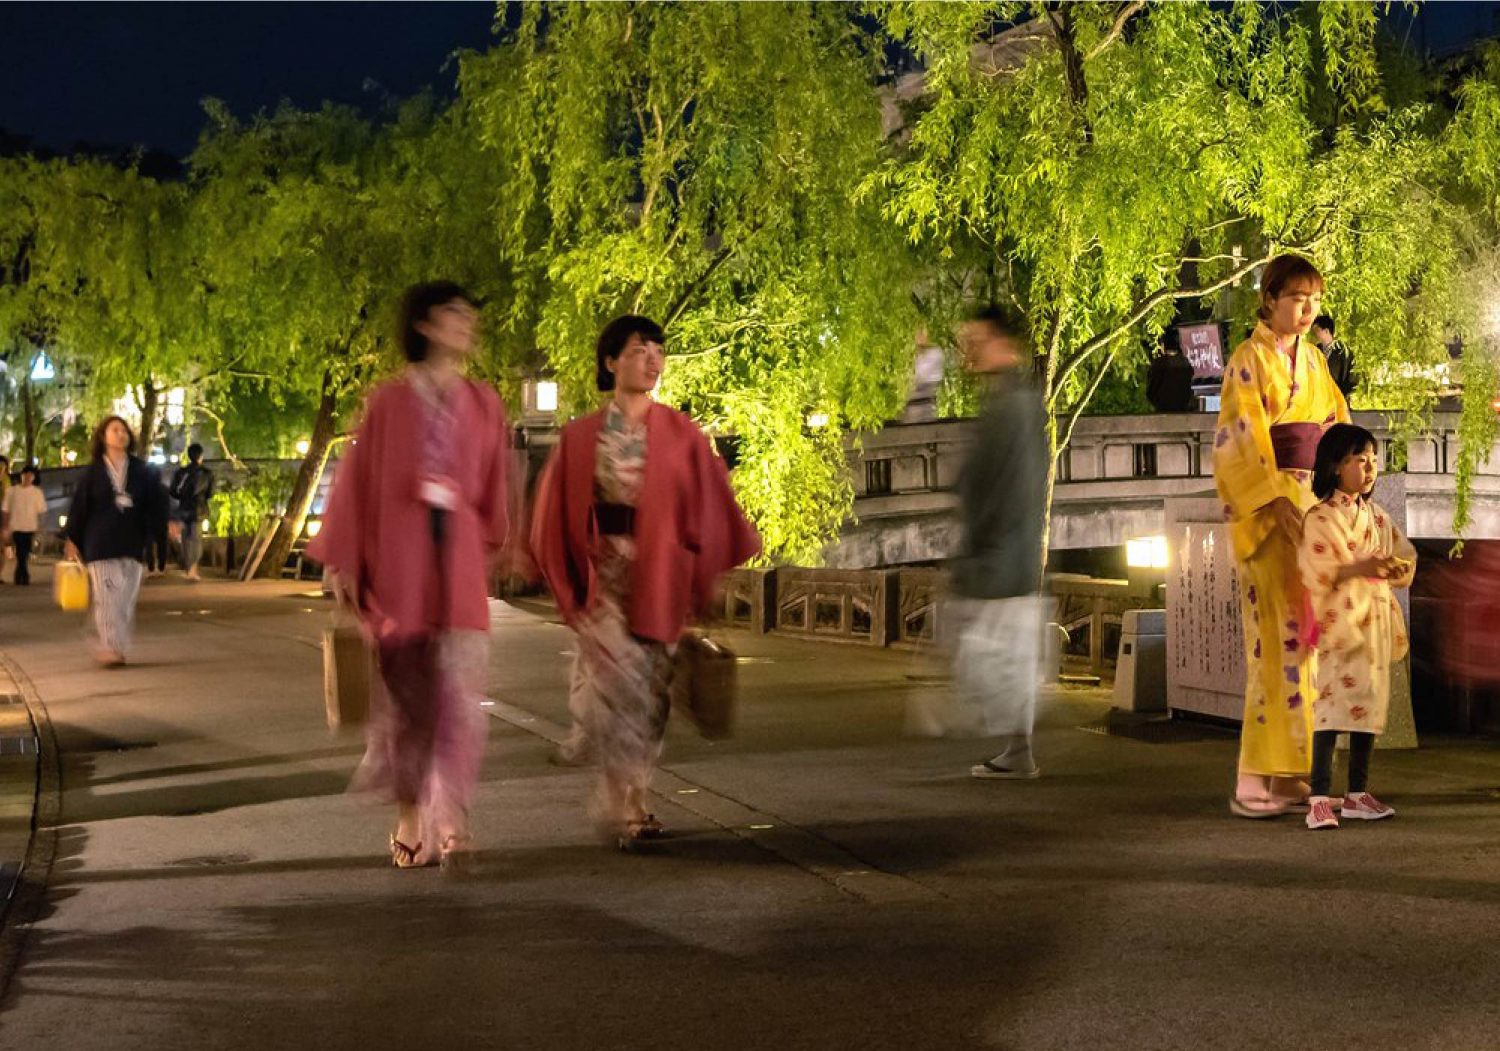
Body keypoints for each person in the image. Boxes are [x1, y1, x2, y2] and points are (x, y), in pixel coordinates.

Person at [530, 315, 760, 849]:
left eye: (658, 350)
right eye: (639, 349)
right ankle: (628, 800)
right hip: (604, 574)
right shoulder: (581, 435)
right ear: (611, 361)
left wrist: (709, 580)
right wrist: (567, 582)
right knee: (619, 685)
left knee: (652, 692)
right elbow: (553, 513)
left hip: (660, 572)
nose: (652, 359)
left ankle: (631, 791)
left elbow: (708, 506)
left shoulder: (680, 432)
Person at [308, 281, 512, 871]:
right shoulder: (389, 402)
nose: (465, 323)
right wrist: (345, 559)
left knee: (460, 697)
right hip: (400, 561)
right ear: (423, 324)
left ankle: (455, 815)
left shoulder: (485, 402)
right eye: (454, 313)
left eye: (469, 314)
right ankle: (409, 812)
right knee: (407, 701)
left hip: (460, 561)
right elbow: (357, 482)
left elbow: (495, 486)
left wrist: (495, 545)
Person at [1213, 255, 1350, 818]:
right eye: (1296, 297)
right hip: (1272, 516)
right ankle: (1254, 780)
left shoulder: (1315, 363)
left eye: (1314, 299)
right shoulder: (1247, 360)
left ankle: (1294, 774)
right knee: (1275, 644)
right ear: (1269, 298)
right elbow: (1238, 439)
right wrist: (1271, 496)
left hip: (1311, 506)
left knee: (1308, 644)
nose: (1307, 308)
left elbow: (1336, 427)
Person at [943, 305, 1049, 780]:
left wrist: (979, 543)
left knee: (992, 652)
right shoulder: (1016, 400)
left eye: (977, 339)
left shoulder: (1011, 406)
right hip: (1013, 550)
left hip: (1002, 552)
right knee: (1009, 652)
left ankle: (1016, 748)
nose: (970, 350)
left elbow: (995, 483)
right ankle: (1017, 748)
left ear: (1002, 342)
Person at [1298, 424, 1415, 830]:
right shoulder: (1319, 517)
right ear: (1335, 465)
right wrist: (1360, 567)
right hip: (1337, 626)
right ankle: (1318, 797)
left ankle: (1356, 794)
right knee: (1330, 710)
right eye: (1359, 460)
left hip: (1372, 624)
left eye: (1372, 460)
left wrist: (1396, 568)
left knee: (1369, 706)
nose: (1369, 468)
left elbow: (1403, 554)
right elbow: (1317, 570)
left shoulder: (1377, 516)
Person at [63, 417, 178, 666]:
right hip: (100, 542)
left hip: (133, 541)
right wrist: (72, 537)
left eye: (124, 430)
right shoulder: (93, 473)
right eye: (115, 430)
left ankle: (113, 644)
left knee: (125, 599)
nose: (121, 434)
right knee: (107, 597)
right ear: (103, 437)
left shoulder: (141, 470)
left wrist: (168, 520)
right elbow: (79, 508)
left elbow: (159, 499)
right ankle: (110, 648)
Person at [170, 443, 215, 581]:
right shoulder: (207, 474)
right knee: (196, 539)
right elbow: (210, 493)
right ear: (201, 456)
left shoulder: (181, 472)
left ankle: (189, 569)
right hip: (199, 509)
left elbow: (173, 491)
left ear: (189, 456)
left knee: (186, 540)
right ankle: (193, 570)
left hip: (184, 509)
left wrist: (183, 497)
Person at [2, 465, 47, 586]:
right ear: (21, 476)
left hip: (30, 527)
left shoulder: (37, 492)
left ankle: (20, 573)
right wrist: (5, 526)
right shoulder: (12, 491)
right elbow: (5, 509)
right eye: (25, 475)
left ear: (33, 478)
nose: (27, 477)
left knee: (25, 551)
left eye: (30, 475)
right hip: (16, 526)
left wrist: (41, 527)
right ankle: (24, 575)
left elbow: (42, 511)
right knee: (21, 551)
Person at [1145, 329, 1197, 413]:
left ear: (1163, 345)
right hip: (1182, 408)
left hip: (1162, 408)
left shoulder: (1159, 363)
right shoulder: (1185, 363)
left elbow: (1151, 390)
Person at [1311, 314, 1357, 401]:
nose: (1315, 334)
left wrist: (1341, 396)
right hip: (1318, 402)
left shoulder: (1344, 352)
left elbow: (1352, 379)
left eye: (1317, 330)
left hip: (1337, 401)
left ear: (1326, 331)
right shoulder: (1314, 351)